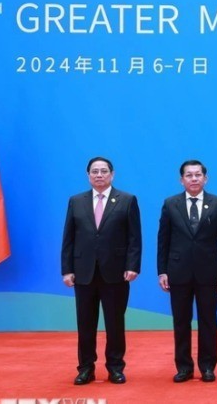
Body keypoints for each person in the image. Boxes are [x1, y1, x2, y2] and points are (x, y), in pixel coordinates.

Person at [61, 156, 142, 385]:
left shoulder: (126, 200)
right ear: (88, 175)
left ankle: (115, 367)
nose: (99, 175)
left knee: (115, 323)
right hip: (83, 273)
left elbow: (134, 238)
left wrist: (132, 266)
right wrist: (67, 270)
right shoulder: (76, 201)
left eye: (103, 171)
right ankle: (86, 368)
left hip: (116, 273)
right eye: (94, 171)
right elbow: (68, 238)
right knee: (85, 324)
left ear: (112, 174)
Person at [157, 160, 217, 383]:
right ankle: (184, 367)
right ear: (181, 180)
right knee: (181, 321)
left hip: (209, 272)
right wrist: (162, 271)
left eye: (198, 175)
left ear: (205, 178)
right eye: (188, 175)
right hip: (177, 272)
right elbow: (163, 240)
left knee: (208, 321)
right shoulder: (170, 204)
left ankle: (207, 366)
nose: (193, 179)